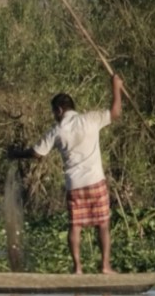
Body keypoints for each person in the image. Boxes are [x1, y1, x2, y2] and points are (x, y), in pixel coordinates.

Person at [16, 73, 123, 274]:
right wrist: (116, 86)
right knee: (103, 224)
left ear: (59, 110)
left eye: (54, 113)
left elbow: (37, 153)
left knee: (75, 226)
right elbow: (115, 112)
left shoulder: (57, 130)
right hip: (96, 181)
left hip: (75, 185)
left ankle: (77, 267)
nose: (54, 116)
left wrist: (16, 154)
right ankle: (105, 266)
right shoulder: (90, 119)